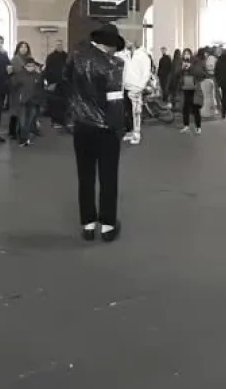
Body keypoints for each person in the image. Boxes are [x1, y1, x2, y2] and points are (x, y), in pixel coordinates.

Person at [65, 22, 125, 242]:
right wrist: (119, 129)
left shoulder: (76, 58)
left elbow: (65, 81)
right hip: (106, 129)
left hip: (81, 126)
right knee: (108, 177)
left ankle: (88, 225)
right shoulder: (115, 65)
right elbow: (115, 101)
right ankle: (108, 226)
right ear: (110, 45)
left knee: (85, 176)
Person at [123, 40, 152, 145]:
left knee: (136, 112)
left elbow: (146, 73)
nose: (127, 42)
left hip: (136, 88)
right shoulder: (125, 55)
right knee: (127, 112)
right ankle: (130, 131)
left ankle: (136, 134)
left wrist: (140, 87)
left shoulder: (142, 56)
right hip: (126, 87)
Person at [17, 58, 44, 146]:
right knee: (23, 120)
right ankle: (23, 138)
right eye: (28, 66)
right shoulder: (20, 75)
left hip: (33, 101)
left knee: (29, 120)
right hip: (23, 101)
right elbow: (14, 86)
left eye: (32, 65)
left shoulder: (38, 76)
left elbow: (40, 89)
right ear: (25, 66)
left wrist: (39, 101)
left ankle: (26, 138)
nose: (30, 67)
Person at [180, 48, 205, 134]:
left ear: (191, 54)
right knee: (185, 108)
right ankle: (186, 125)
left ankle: (198, 127)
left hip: (194, 87)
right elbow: (177, 74)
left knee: (195, 108)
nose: (186, 55)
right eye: (185, 53)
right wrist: (181, 69)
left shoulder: (196, 62)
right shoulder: (181, 62)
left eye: (188, 53)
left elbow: (201, 73)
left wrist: (191, 67)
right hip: (185, 87)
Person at [9, 42, 31, 139]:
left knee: (24, 110)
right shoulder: (15, 59)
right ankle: (13, 131)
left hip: (26, 88)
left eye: (25, 47)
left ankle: (22, 130)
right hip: (16, 87)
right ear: (18, 48)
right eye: (21, 47)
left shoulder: (29, 59)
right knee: (16, 109)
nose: (24, 49)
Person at [44, 40, 68, 128]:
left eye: (61, 45)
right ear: (55, 46)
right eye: (58, 45)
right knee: (55, 103)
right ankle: (55, 121)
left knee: (64, 103)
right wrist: (50, 82)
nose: (59, 46)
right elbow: (47, 70)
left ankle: (62, 121)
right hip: (54, 83)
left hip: (65, 84)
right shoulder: (50, 57)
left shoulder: (66, 56)